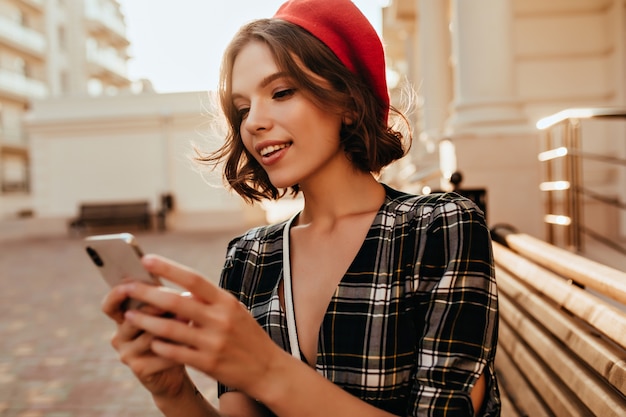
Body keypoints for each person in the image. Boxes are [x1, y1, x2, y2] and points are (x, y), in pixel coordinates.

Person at [101, 0, 501, 415]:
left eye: (281, 92)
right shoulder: (249, 256)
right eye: (242, 109)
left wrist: (268, 371)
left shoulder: (438, 228)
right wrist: (171, 390)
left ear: (347, 100)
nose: (254, 121)